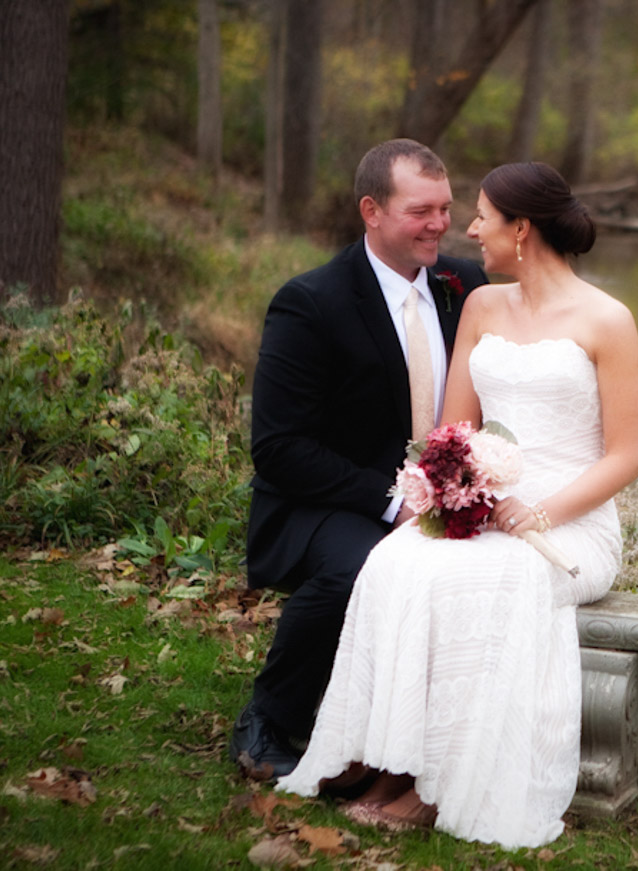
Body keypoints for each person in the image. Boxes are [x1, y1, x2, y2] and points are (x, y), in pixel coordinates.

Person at [276, 162, 638, 849]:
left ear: (522, 228)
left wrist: (542, 512)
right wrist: (452, 490)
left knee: (487, 580)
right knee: (395, 561)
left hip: (568, 528)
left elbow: (626, 455)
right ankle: (384, 756)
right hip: (485, 508)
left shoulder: (608, 319)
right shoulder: (481, 305)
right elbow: (454, 434)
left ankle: (434, 781)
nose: (469, 230)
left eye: (482, 216)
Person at [229, 140, 488, 781]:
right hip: (322, 503)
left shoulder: (468, 287)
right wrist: (393, 501)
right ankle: (269, 715)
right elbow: (278, 447)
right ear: (371, 211)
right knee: (364, 569)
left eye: (446, 209)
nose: (438, 225)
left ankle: (437, 738)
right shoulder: (311, 302)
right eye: (419, 211)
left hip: (443, 496)